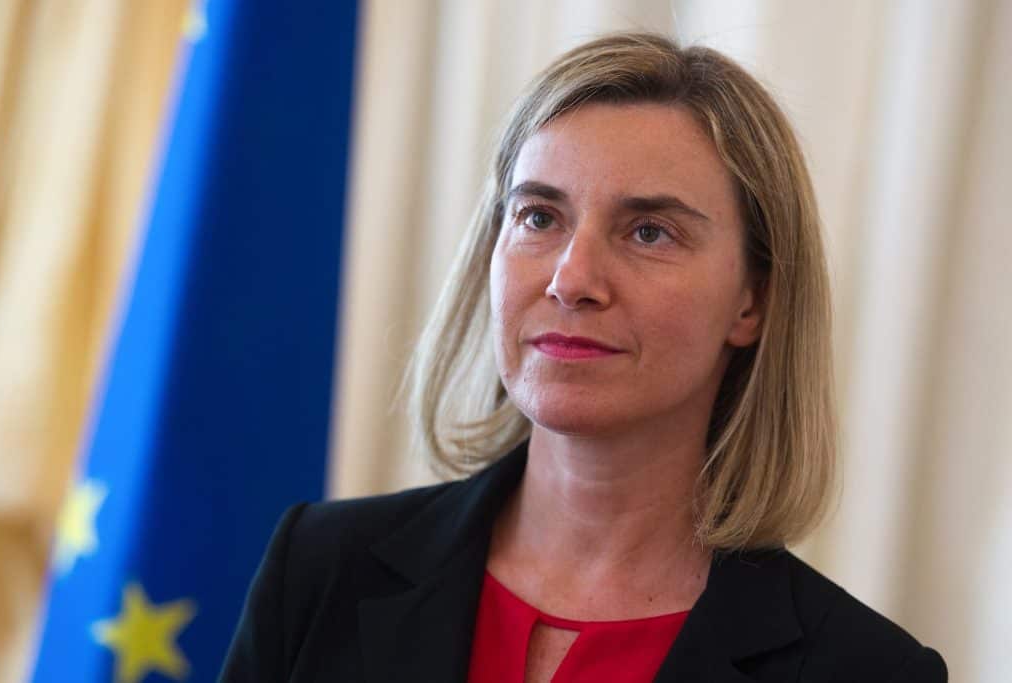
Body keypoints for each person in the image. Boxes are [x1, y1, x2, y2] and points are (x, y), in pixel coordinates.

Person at [219, 33, 946, 682]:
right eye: (539, 216)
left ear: (751, 302)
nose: (571, 280)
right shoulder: (318, 569)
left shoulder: (868, 670)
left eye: (649, 231)